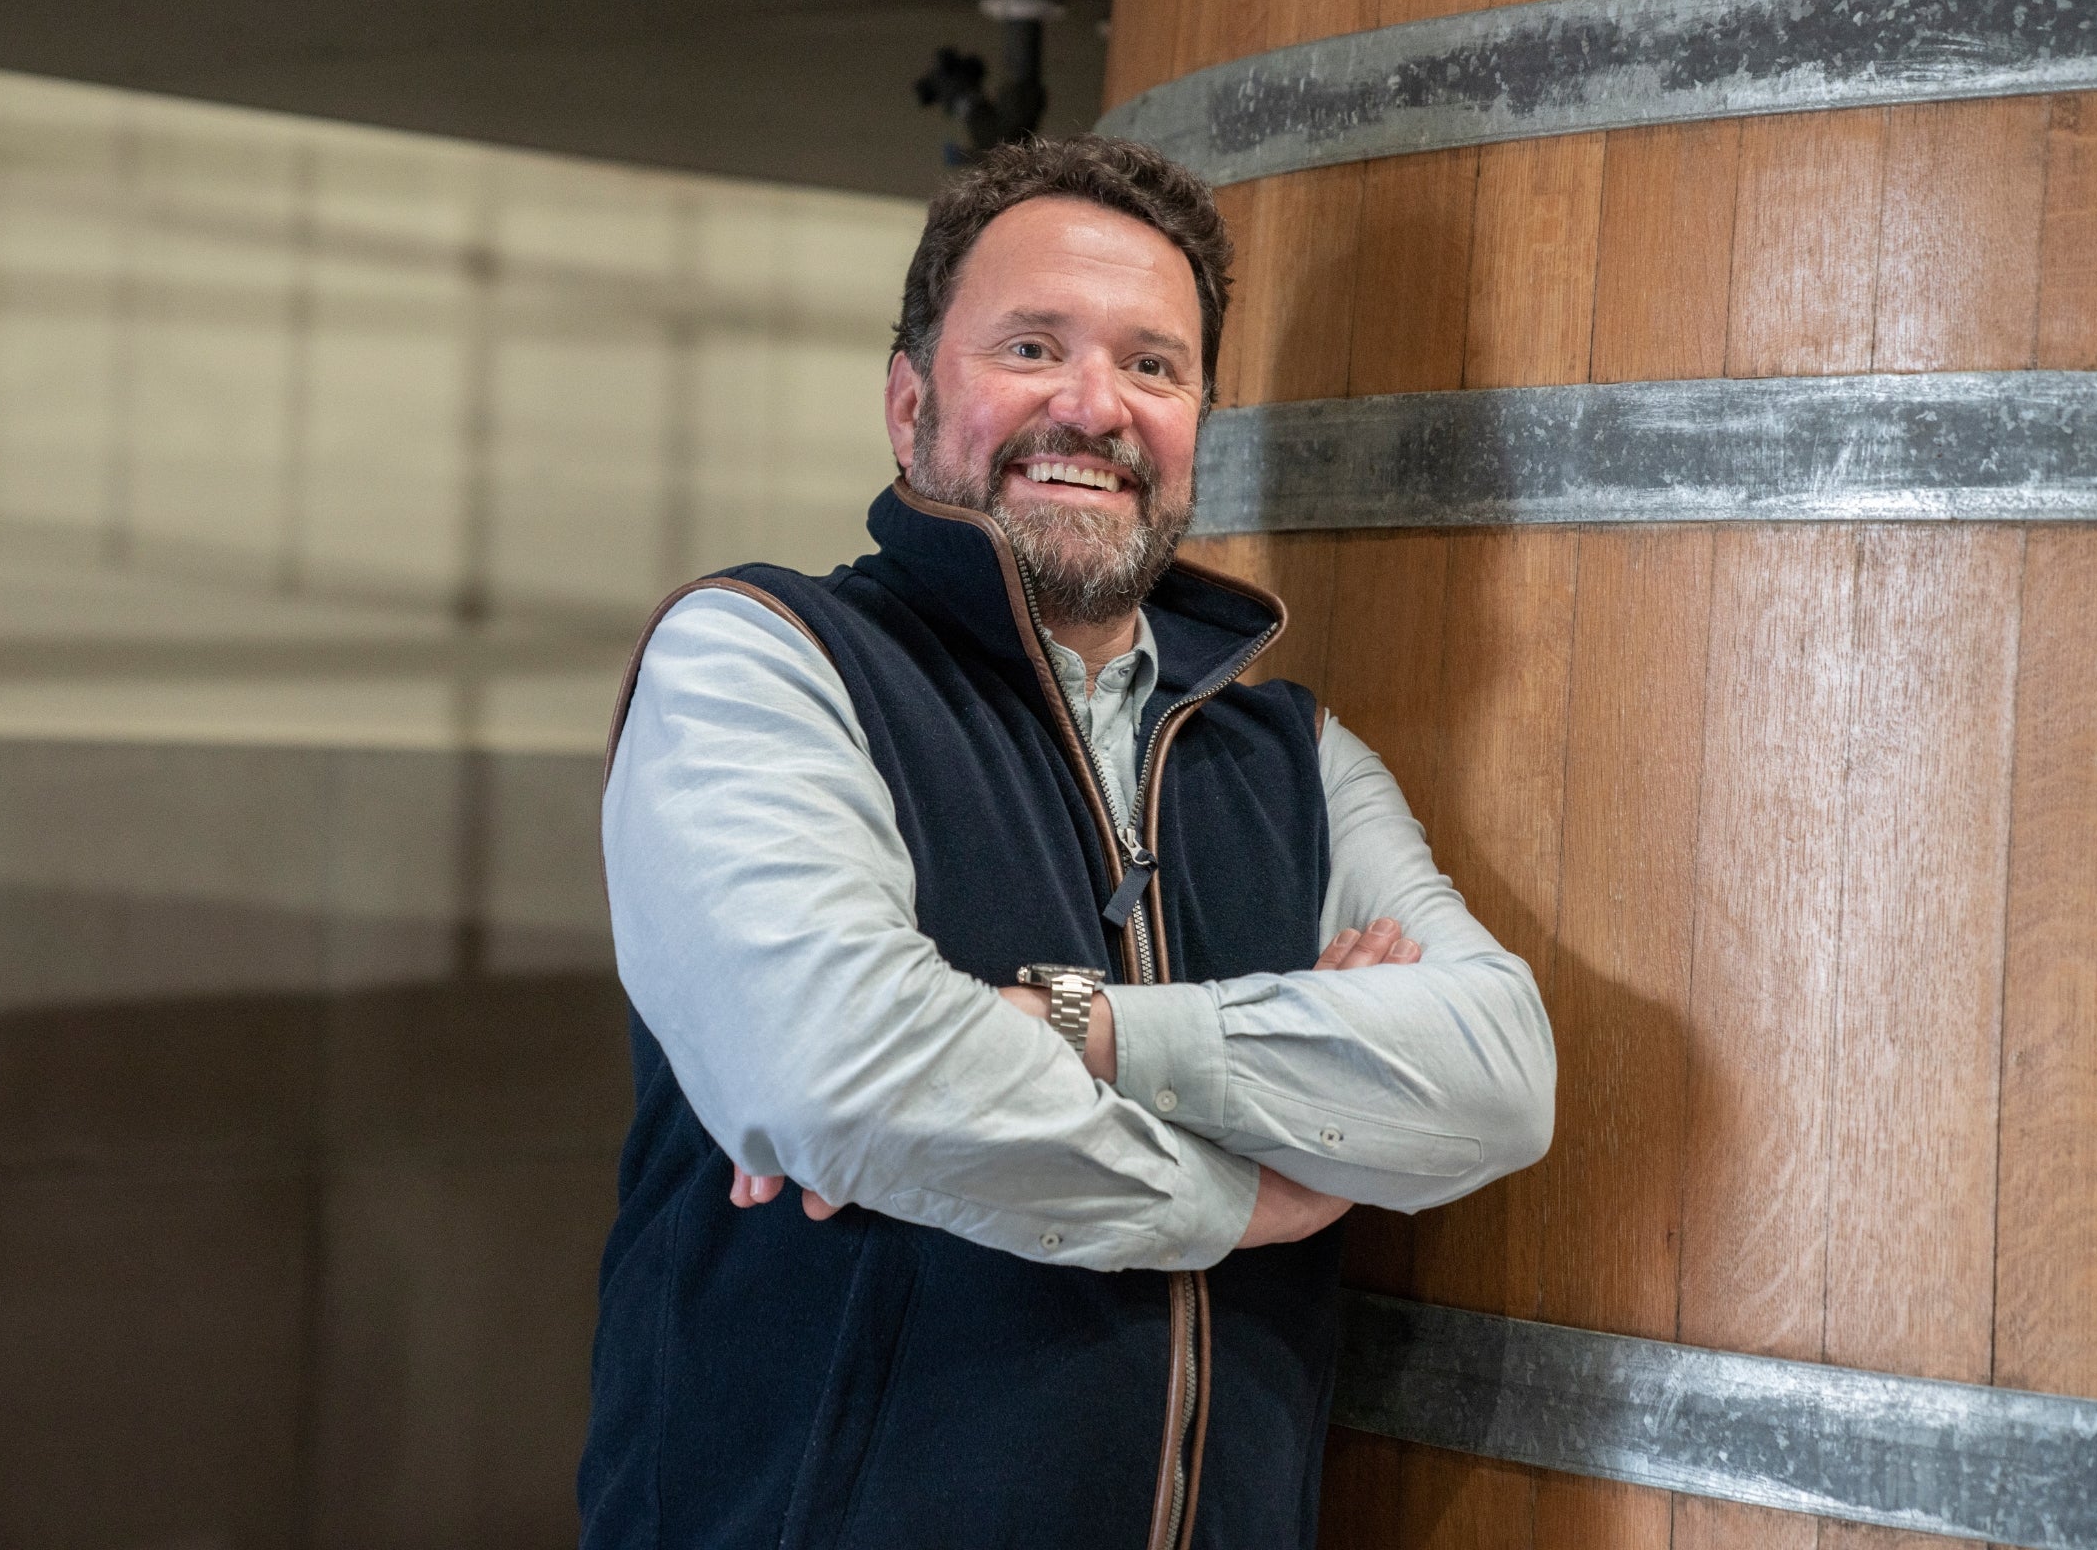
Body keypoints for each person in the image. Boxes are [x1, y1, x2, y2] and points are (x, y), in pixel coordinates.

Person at [578, 136, 1556, 1550]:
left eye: (1154, 366)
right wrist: (1249, 1190)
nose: (1095, 407)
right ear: (910, 401)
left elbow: (1498, 1076)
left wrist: (1070, 1026)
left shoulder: (1293, 758)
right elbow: (836, 1067)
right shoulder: (764, 658)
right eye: (1033, 347)